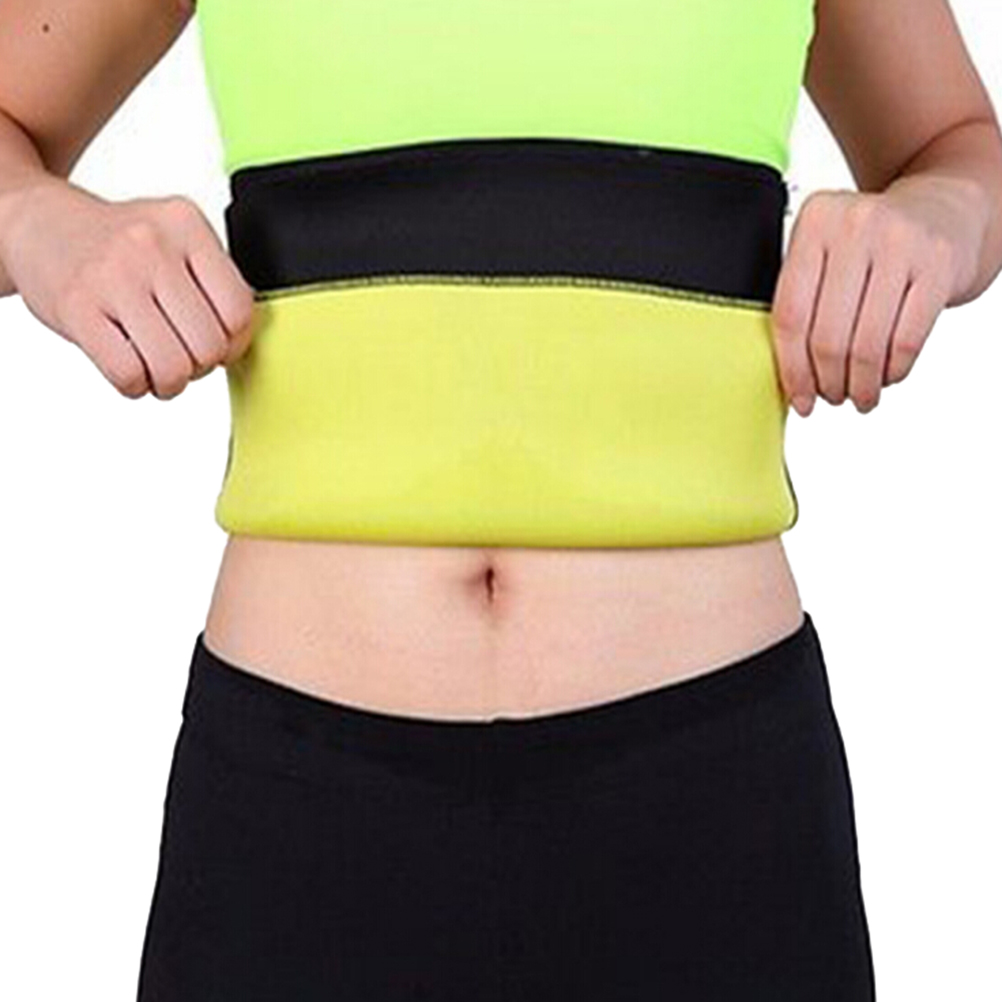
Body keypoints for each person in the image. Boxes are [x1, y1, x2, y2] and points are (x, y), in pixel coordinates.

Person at [1, 0, 1000, 999]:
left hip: (712, 804)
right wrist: (40, 224)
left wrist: (937, 219)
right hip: (300, 815)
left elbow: (961, 148)